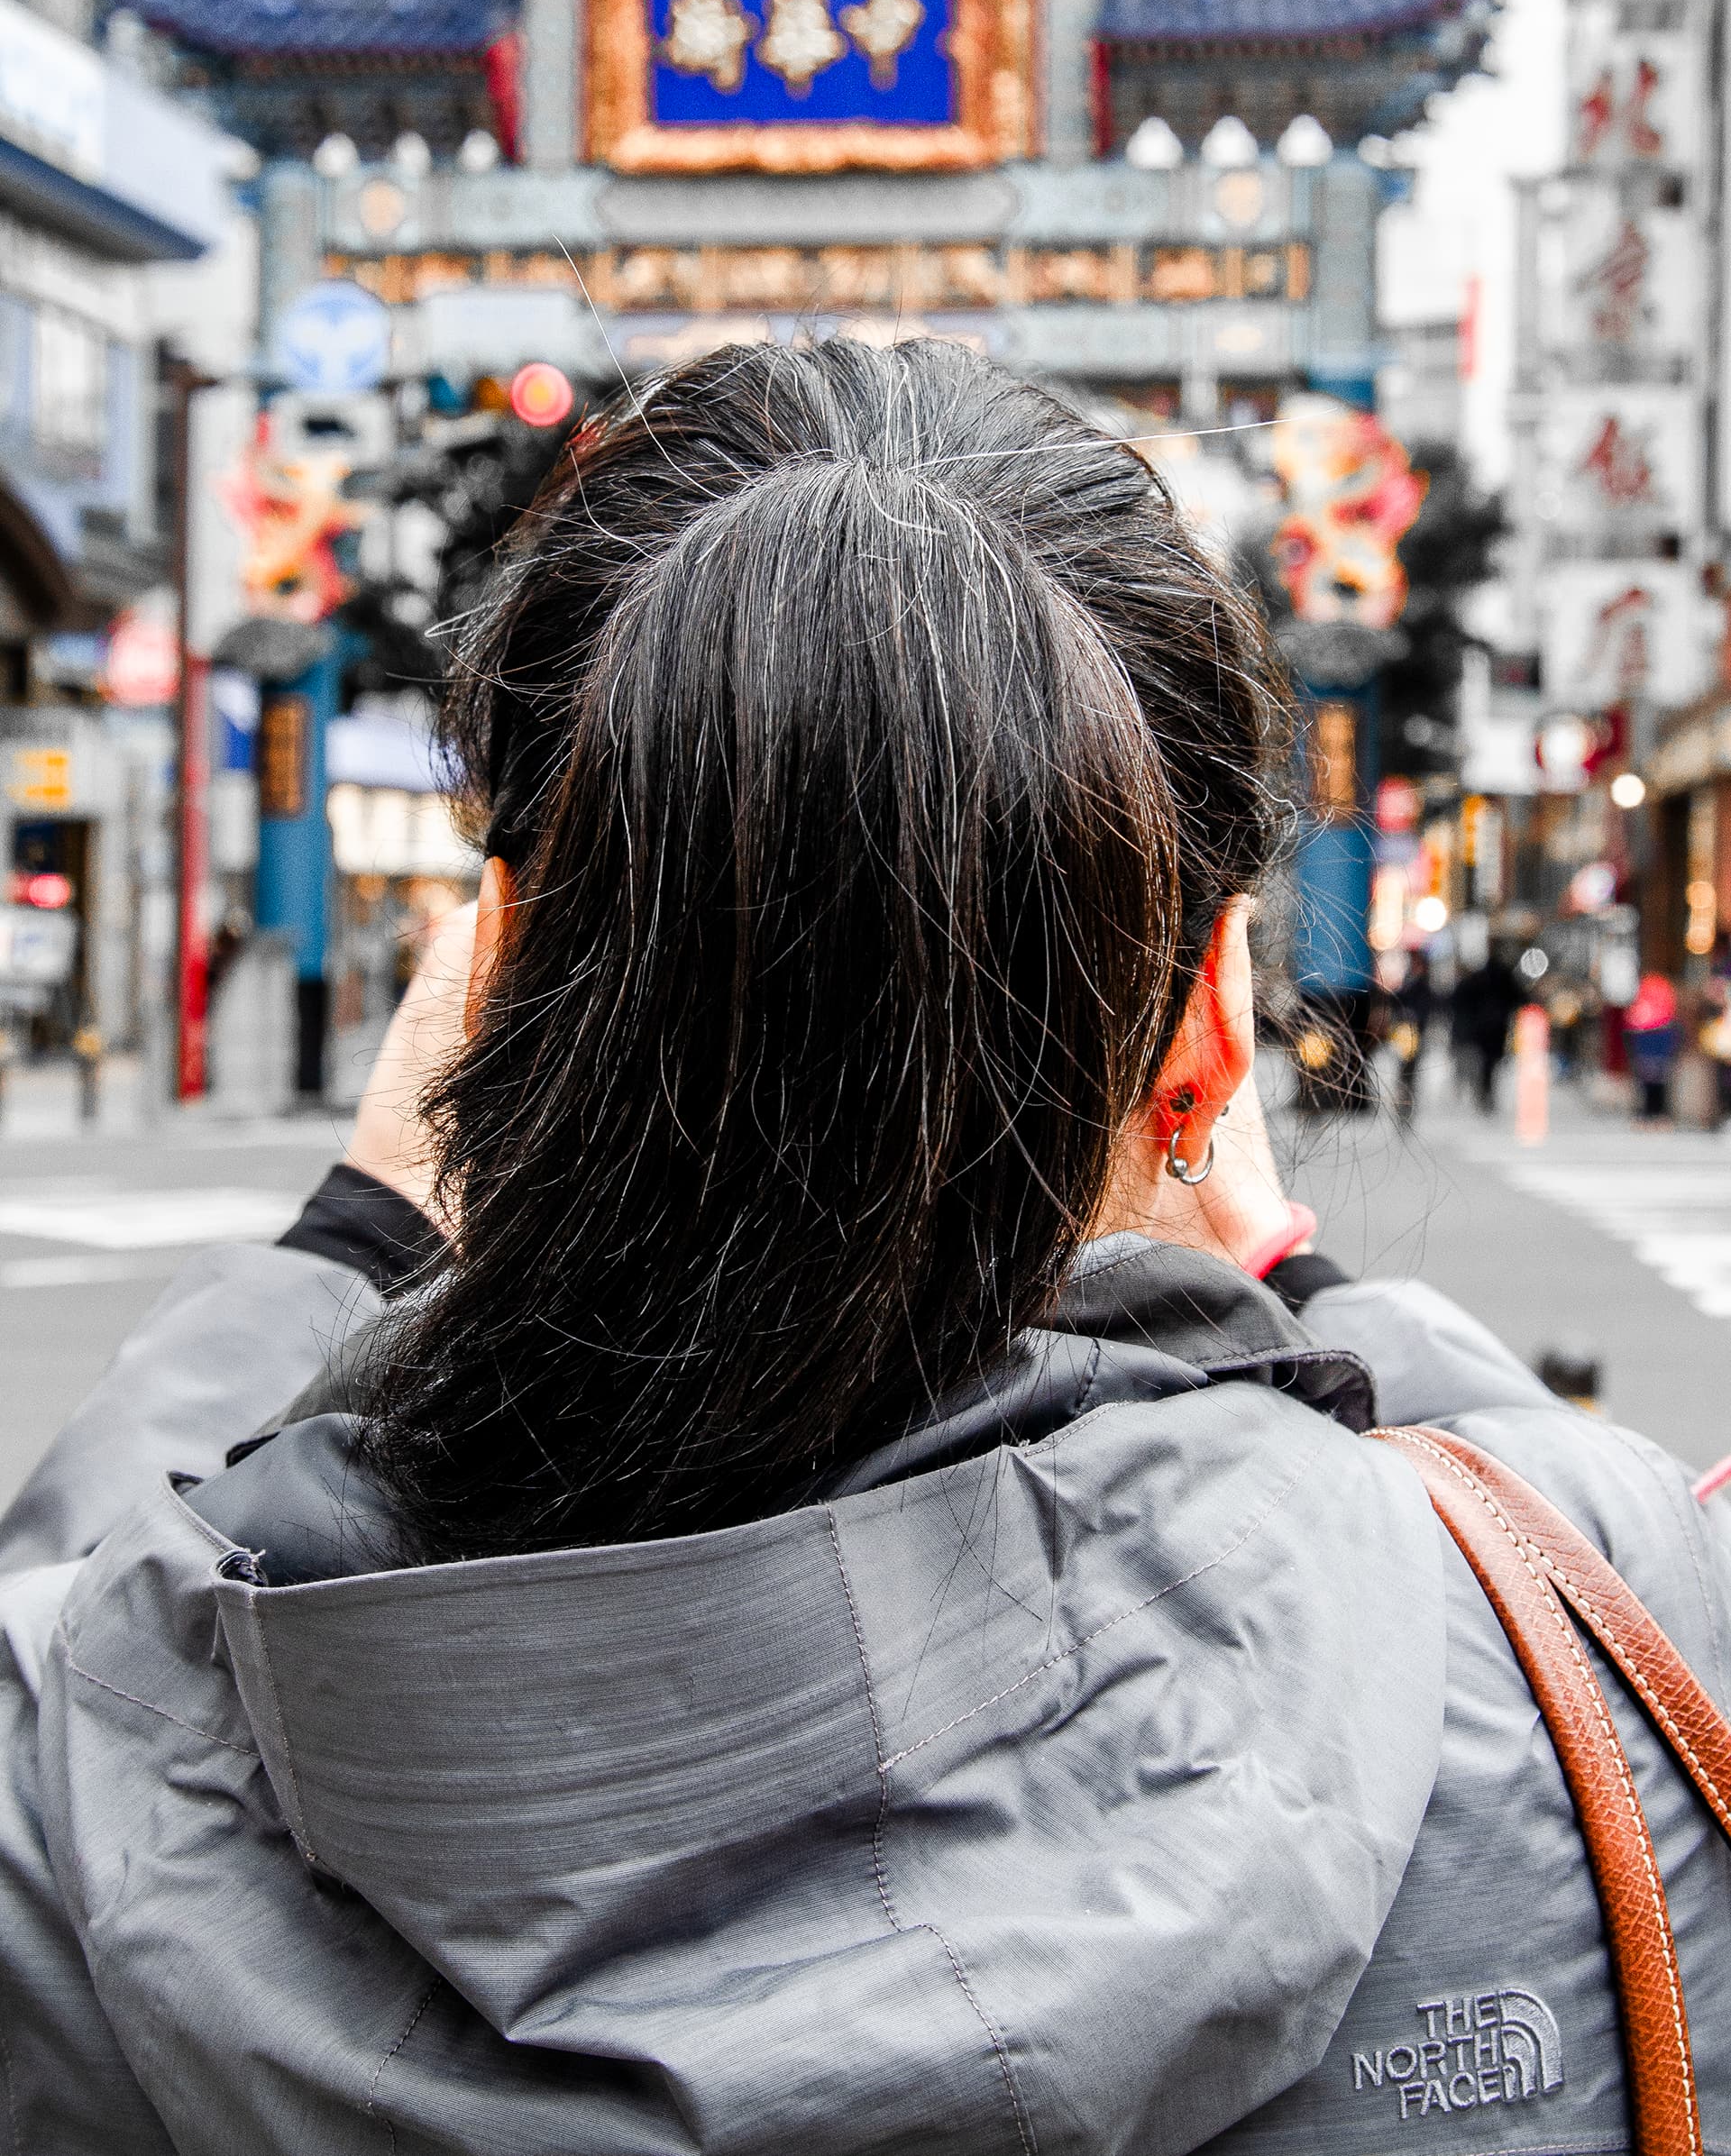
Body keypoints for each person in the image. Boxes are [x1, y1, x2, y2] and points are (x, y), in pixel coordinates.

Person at [1, 339, 1729, 2153]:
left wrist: (346, 1237)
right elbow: (1580, 1594)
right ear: (1208, 1035)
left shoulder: (75, 1781)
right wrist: (1299, 1271)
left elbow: (92, 1648)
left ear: (490, 987)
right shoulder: (1609, 1628)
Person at [1448, 943, 1521, 1113]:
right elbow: (1517, 997)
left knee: (1485, 1061)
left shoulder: (1479, 977)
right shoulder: (1504, 976)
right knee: (1491, 1061)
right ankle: (1486, 1090)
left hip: (1482, 1027)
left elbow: (1462, 1001)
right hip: (1497, 1026)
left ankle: (1484, 1090)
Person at [1624, 968, 1681, 1123]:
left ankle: (1652, 1113)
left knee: (1650, 1079)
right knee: (1657, 1079)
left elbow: (1633, 1019)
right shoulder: (1661, 991)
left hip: (1650, 1037)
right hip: (1657, 1037)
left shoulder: (1649, 991)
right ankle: (1657, 1113)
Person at [1386, 948, 1434, 1122]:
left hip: (1415, 1035)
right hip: (1403, 1035)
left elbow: (1426, 1010)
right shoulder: (1407, 983)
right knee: (1403, 1070)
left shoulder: (1423, 985)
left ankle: (1406, 1100)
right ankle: (1403, 1099)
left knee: (1409, 1071)